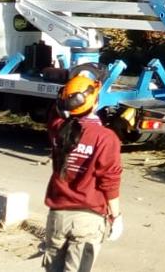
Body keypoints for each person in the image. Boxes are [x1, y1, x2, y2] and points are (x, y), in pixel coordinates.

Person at [42, 72, 124, 272]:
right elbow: (109, 181)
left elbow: (55, 113)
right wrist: (116, 216)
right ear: (95, 102)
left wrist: (64, 100)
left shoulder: (58, 129)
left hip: (57, 217)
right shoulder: (105, 138)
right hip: (88, 220)